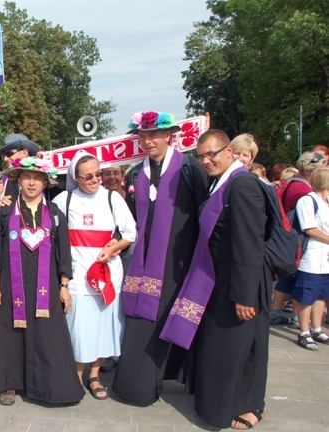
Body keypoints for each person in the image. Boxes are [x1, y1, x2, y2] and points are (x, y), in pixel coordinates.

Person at [112, 111, 208, 405]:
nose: (148, 141)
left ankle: (173, 376)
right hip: (143, 262)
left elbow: (205, 210)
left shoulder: (189, 168)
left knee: (173, 316)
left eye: (154, 135)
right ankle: (138, 382)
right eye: (143, 136)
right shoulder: (137, 173)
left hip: (179, 260)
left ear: (169, 136)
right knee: (142, 318)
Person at [181, 129, 269, 429]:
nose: (206, 161)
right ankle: (220, 402)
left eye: (212, 154)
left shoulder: (242, 185)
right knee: (223, 348)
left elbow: (250, 242)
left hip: (239, 282)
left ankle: (246, 405)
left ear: (229, 151)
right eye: (201, 155)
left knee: (239, 350)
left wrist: (245, 294)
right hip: (219, 279)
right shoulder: (220, 182)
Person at [0, 156, 84, 405]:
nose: (31, 183)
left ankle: (45, 384)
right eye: (27, 178)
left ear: (45, 183)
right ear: (19, 181)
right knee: (10, 331)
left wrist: (64, 286)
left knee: (48, 335)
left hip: (47, 286)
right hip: (10, 284)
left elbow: (64, 254)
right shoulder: (6, 211)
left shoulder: (55, 214)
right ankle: (9, 384)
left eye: (37, 179)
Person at [53, 153, 136, 400]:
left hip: (107, 276)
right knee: (79, 330)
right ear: (75, 178)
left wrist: (113, 248)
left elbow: (130, 234)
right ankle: (75, 375)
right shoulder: (64, 199)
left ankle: (94, 374)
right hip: (78, 277)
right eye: (88, 176)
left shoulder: (113, 199)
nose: (95, 179)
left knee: (102, 328)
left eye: (98, 173)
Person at [270, 152, 327, 327]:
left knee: (291, 279)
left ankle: (278, 313)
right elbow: (309, 225)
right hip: (300, 241)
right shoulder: (303, 190)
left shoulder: (295, 183)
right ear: (312, 173)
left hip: (294, 239)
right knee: (298, 282)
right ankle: (294, 316)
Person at [292, 167, 329, 350]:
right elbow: (310, 228)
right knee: (306, 295)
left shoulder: (327, 201)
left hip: (326, 258)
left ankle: (317, 328)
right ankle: (304, 331)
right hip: (312, 256)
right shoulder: (307, 200)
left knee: (321, 295)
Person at [0, 134, 40, 228]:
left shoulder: (45, 178)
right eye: (3, 155)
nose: (5, 159)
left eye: (9, 153)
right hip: (9, 240)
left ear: (24, 153)